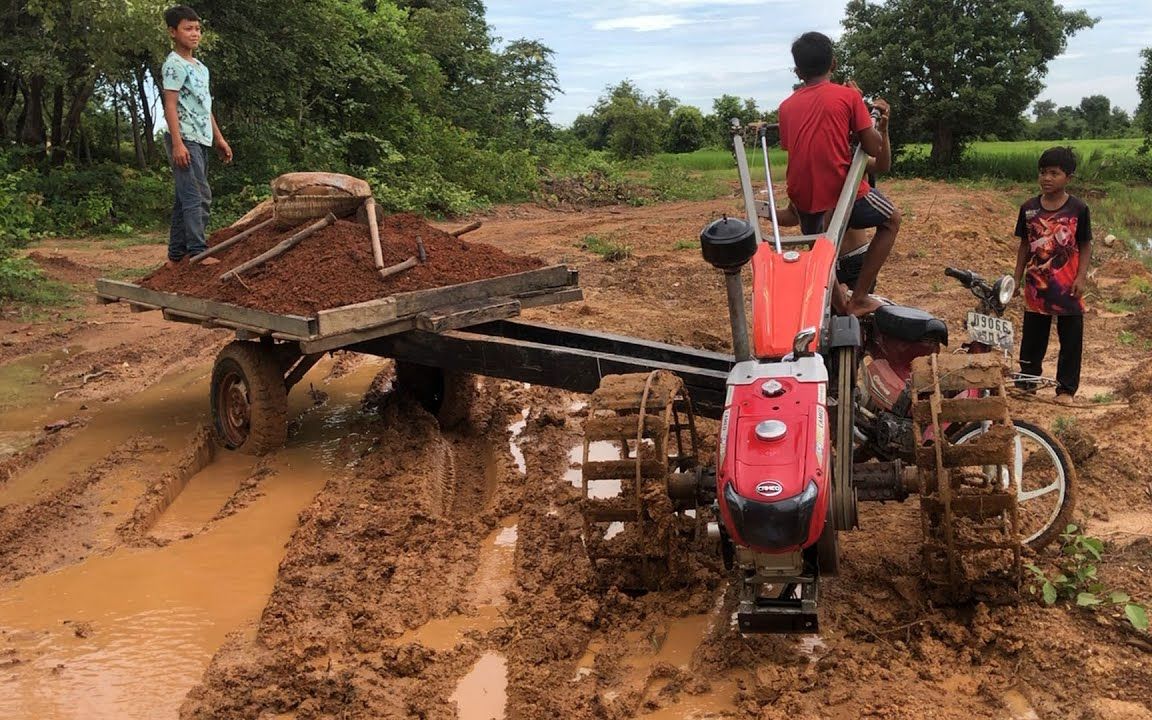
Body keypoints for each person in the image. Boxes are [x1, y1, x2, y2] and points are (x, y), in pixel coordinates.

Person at [777, 32, 901, 316]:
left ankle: (839, 303)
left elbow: (796, 147)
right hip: (839, 193)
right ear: (833, 64)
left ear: (797, 72)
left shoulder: (785, 107)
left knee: (820, 252)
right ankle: (858, 298)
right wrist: (866, 118)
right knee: (892, 220)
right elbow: (872, 147)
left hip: (803, 198)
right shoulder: (848, 96)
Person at [1012, 146, 1092, 404]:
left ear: (1068, 177)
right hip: (1036, 285)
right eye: (1043, 173)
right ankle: (1027, 382)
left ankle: (1066, 390)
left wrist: (1081, 277)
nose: (1046, 178)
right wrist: (1016, 277)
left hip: (1067, 286)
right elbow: (1025, 245)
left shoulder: (1078, 209)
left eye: (1054, 173)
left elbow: (1085, 244)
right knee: (1033, 338)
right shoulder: (1029, 209)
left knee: (1070, 339)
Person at [161, 5, 232, 266]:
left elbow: (205, 107)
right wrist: (178, 144)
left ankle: (175, 256)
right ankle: (198, 252)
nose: (195, 34)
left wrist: (219, 138)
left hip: (201, 139)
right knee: (198, 195)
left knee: (184, 198)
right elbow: (170, 105)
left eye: (198, 29)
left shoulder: (201, 68)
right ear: (173, 32)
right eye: (188, 28)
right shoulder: (174, 65)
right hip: (185, 139)